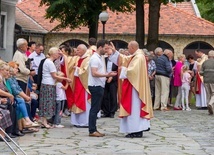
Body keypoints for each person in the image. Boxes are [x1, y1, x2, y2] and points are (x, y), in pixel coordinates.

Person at [109, 41, 153, 138]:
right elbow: (125, 59)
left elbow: (133, 71)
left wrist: (122, 69)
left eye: (128, 48)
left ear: (133, 47)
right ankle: (135, 129)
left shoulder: (139, 57)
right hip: (133, 85)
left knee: (135, 108)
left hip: (136, 88)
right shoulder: (136, 55)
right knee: (134, 108)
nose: (128, 50)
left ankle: (136, 130)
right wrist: (115, 52)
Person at [88, 40, 117, 137]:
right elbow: (94, 73)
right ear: (100, 47)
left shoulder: (99, 57)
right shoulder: (95, 58)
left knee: (96, 109)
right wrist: (107, 74)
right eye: (105, 48)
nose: (106, 50)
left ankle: (94, 129)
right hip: (95, 86)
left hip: (99, 85)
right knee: (94, 109)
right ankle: (92, 130)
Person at [39, 47, 71, 129]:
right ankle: (44, 121)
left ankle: (44, 121)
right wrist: (65, 79)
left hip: (46, 83)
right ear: (53, 53)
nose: (58, 54)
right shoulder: (50, 63)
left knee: (45, 103)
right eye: (57, 53)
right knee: (47, 103)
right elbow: (54, 75)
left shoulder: (47, 61)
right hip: (48, 84)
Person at [70, 44, 91, 127]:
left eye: (78, 50)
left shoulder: (88, 59)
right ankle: (77, 121)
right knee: (77, 99)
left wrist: (77, 69)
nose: (77, 51)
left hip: (84, 84)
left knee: (84, 101)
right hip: (78, 82)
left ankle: (84, 121)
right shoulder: (79, 58)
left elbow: (86, 71)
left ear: (83, 50)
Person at [101, 47, 118, 118]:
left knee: (113, 96)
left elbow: (118, 71)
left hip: (113, 79)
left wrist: (112, 77)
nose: (109, 56)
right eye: (108, 54)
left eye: (110, 54)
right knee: (105, 96)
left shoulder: (116, 61)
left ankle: (112, 111)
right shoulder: (104, 60)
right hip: (105, 77)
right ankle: (106, 111)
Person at [200, 50, 214, 115]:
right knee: (213, 94)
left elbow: (201, 73)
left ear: (208, 56)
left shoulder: (204, 63)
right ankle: (210, 104)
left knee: (208, 95)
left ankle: (210, 110)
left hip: (206, 81)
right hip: (213, 81)